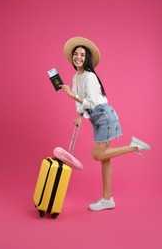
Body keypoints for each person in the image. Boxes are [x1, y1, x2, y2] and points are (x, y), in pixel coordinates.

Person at [61, 37, 151, 211]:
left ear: (86, 58)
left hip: (104, 115)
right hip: (97, 118)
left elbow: (93, 102)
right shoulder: (76, 77)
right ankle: (107, 199)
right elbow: (83, 102)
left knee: (97, 155)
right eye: (75, 54)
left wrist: (72, 95)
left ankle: (134, 147)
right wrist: (79, 115)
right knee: (105, 160)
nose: (78, 57)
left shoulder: (90, 76)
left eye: (82, 55)